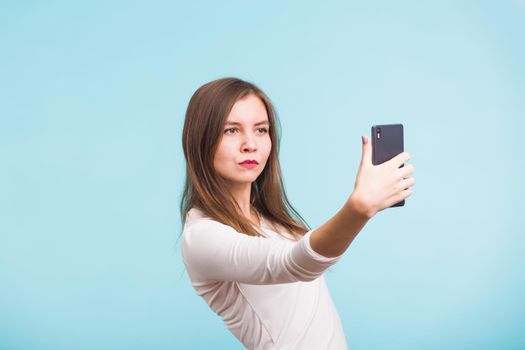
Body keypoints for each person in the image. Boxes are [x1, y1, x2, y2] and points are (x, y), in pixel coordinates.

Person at [179, 77, 416, 349]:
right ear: (199, 140)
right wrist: (359, 209)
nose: (250, 144)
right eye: (231, 131)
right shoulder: (202, 237)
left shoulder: (269, 219)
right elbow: (298, 263)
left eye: (261, 130)